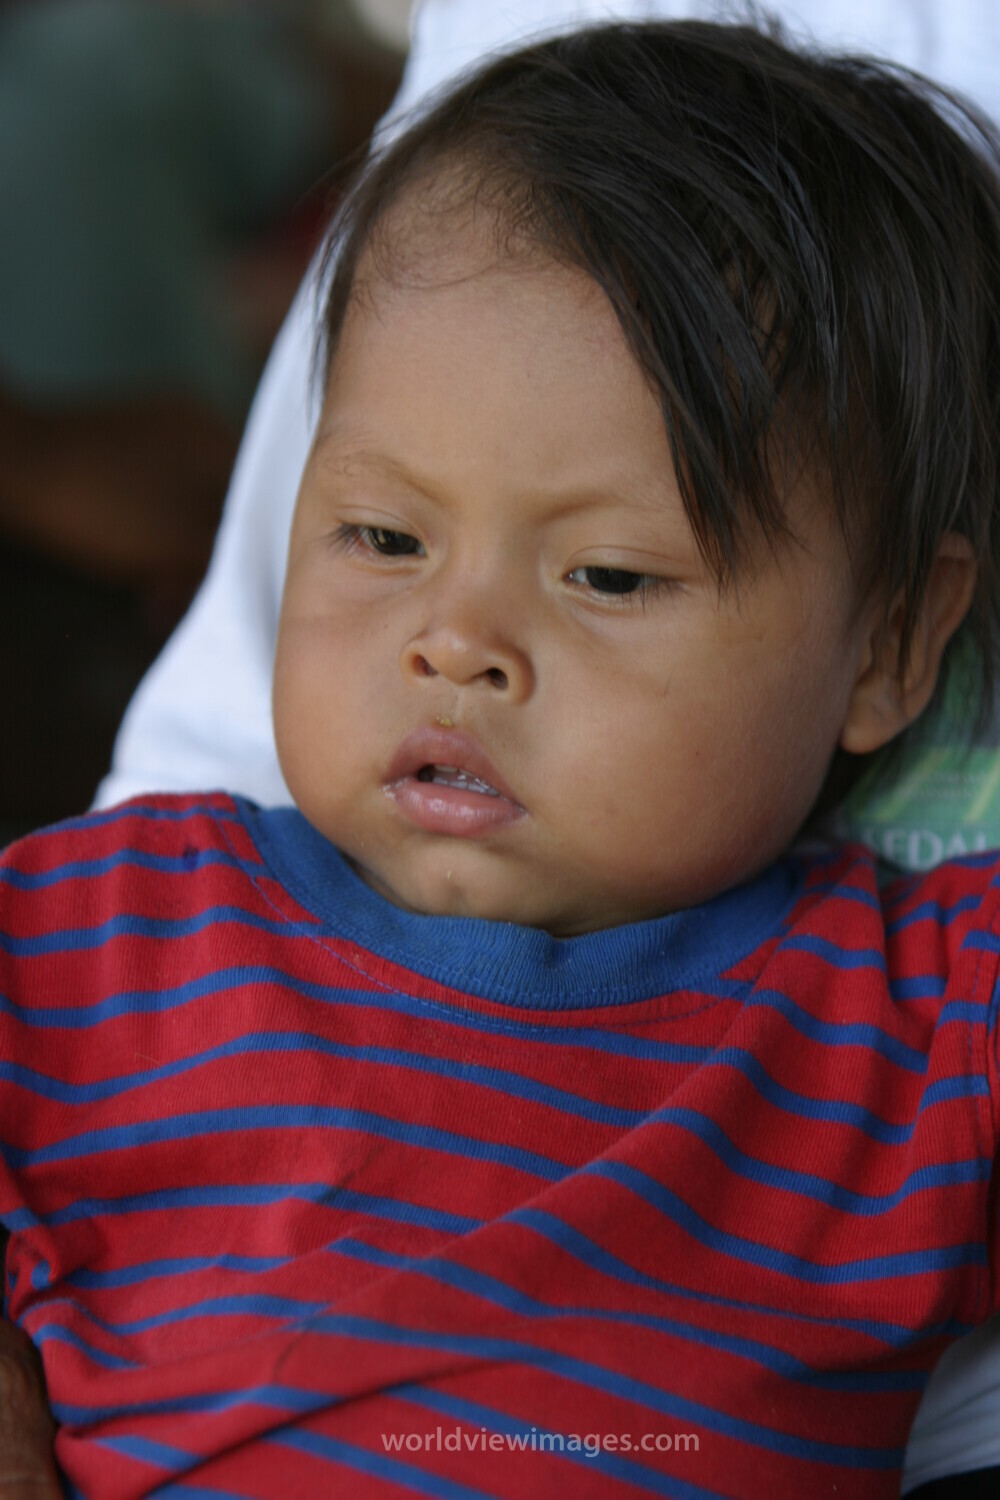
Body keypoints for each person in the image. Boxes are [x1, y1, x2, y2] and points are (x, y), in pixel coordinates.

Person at [2, 19, 1000, 1497]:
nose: (453, 644)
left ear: (889, 647)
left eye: (606, 575)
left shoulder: (917, 1034)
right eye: (385, 539)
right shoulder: (113, 935)